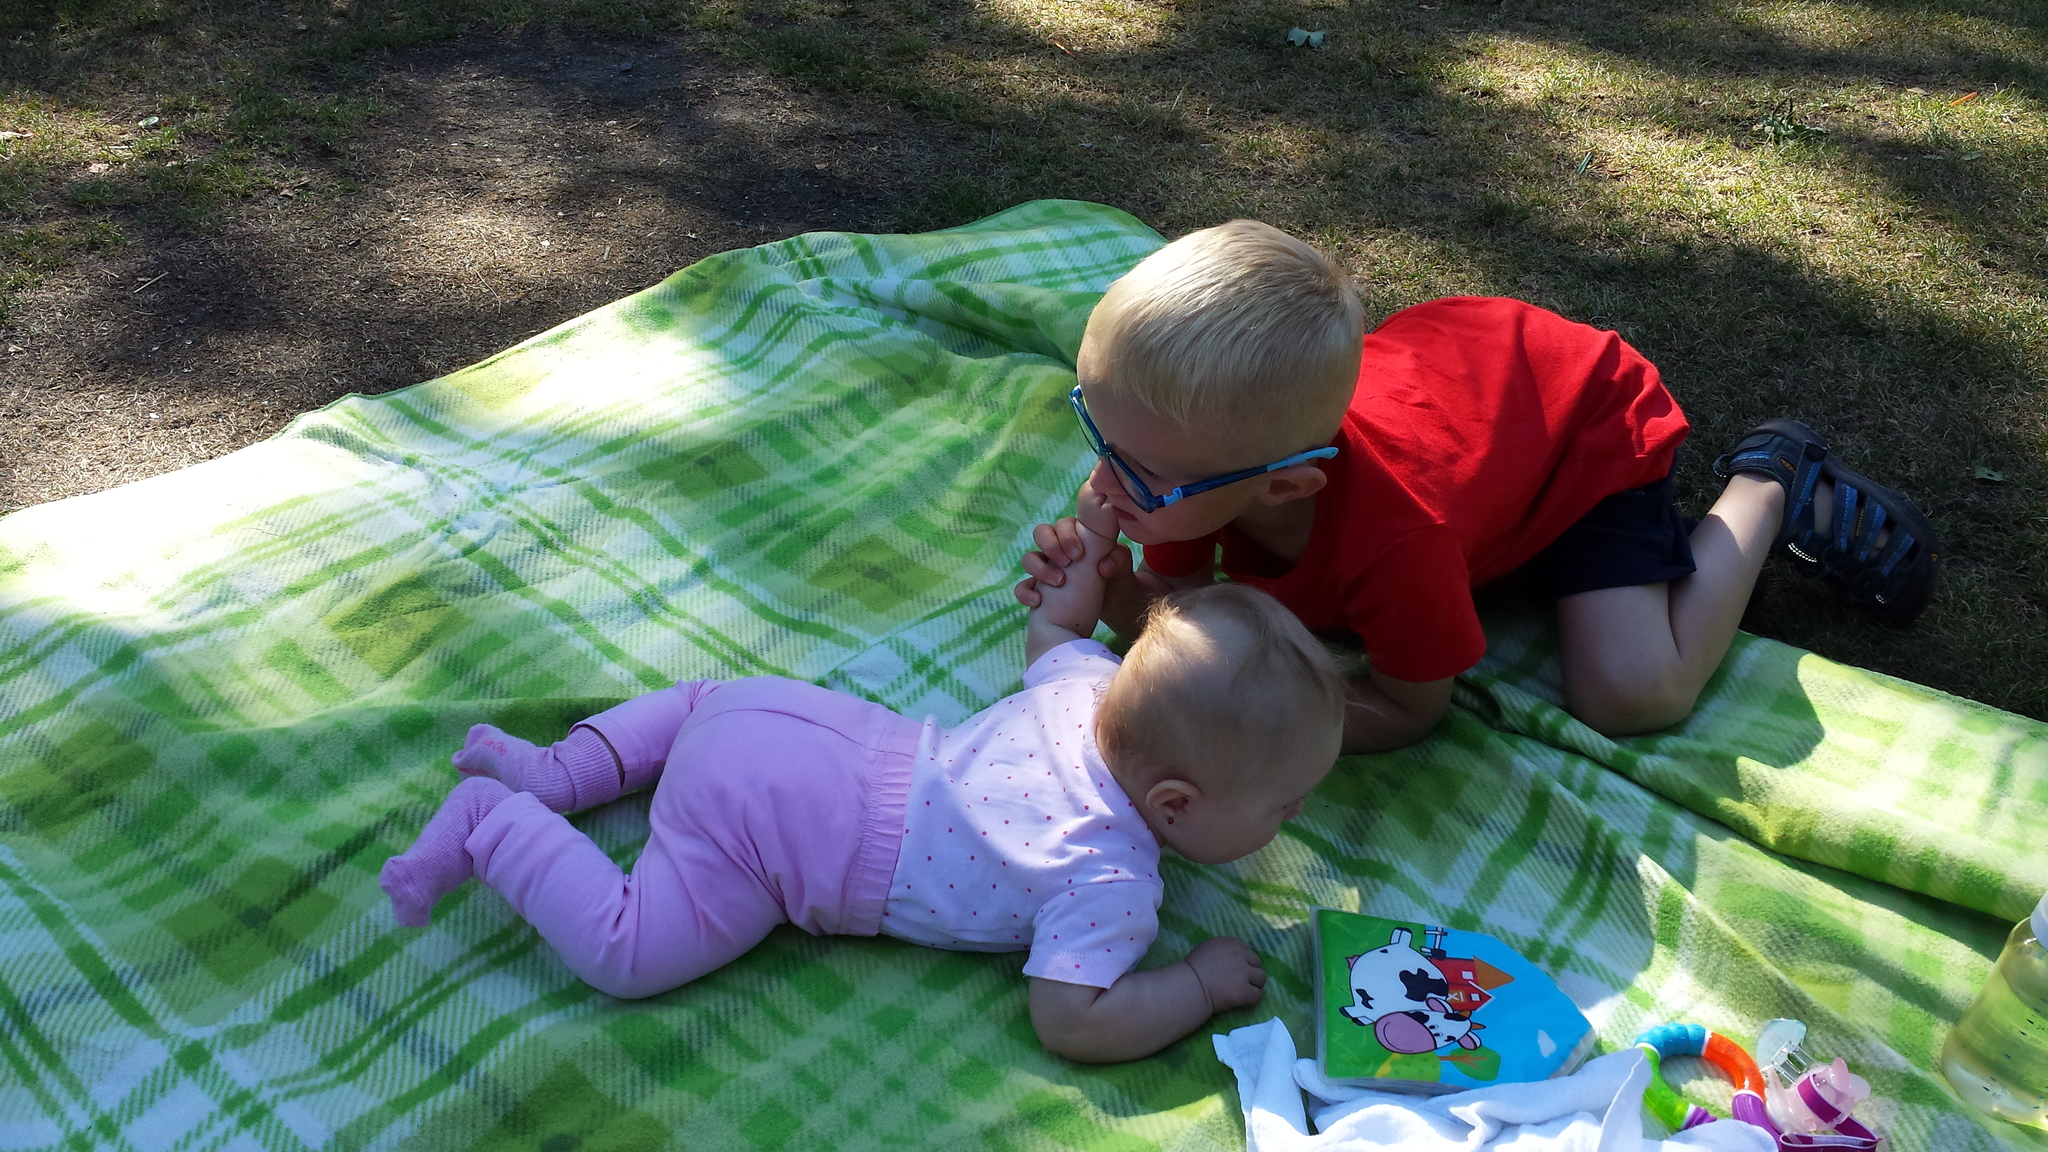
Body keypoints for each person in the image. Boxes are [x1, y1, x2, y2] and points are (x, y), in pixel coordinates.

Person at [379, 504, 1346, 1063]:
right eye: (1283, 804)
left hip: (787, 720)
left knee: (700, 702)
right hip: (786, 837)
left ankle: (552, 772)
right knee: (629, 952)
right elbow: (1070, 1018)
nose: (1295, 815)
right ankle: (494, 824)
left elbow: (1054, 627)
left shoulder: (1089, 685)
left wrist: (1086, 563)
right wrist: (1194, 984)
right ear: (1173, 806)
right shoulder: (1112, 883)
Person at [1016, 221, 1940, 749]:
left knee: (1633, 695)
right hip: (1463, 387)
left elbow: (1410, 708)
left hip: (1578, 429)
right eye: (1098, 433)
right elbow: (1176, 610)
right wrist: (1119, 595)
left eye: (1139, 470)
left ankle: (1769, 481)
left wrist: (1247, 729)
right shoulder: (1191, 470)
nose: (1102, 482)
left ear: (1287, 488)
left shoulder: (1396, 540)